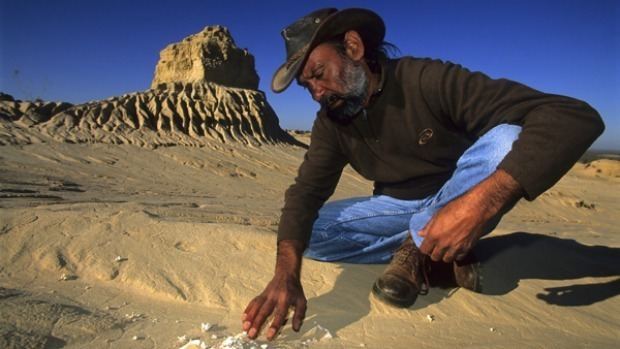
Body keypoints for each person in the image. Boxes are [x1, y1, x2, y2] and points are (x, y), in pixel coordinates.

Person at [241, 8, 604, 340]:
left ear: (352, 47)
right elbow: (305, 194)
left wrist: (478, 206)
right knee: (308, 235)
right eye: (307, 87)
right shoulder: (331, 121)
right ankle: (432, 256)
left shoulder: (427, 79)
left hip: (463, 199)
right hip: (398, 209)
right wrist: (286, 274)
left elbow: (574, 117)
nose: (317, 93)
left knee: (507, 139)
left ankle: (420, 249)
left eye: (318, 74)